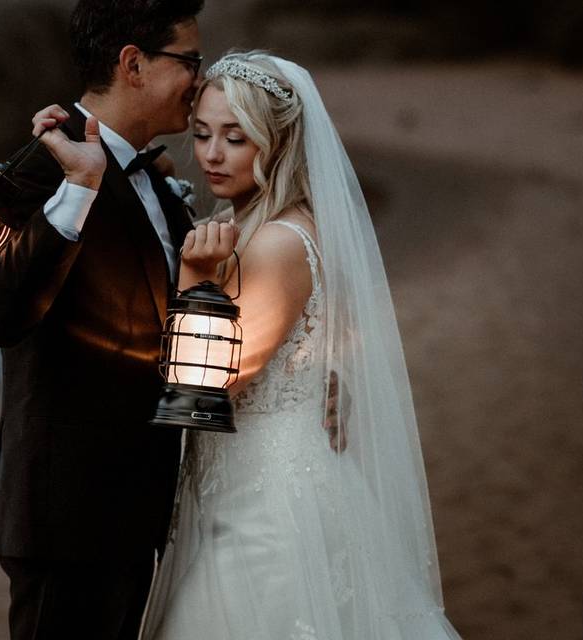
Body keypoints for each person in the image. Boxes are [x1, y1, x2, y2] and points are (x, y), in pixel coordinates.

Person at [138, 52, 463, 640]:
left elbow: (208, 383)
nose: (211, 155)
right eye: (204, 134)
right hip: (243, 480)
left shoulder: (277, 244)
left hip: (266, 500)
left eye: (235, 139)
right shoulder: (257, 226)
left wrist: (194, 280)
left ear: (277, 143)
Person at [0, 1, 211, 638]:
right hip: (65, 516)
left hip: (134, 512)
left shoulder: (155, 177)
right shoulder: (44, 164)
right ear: (133, 64)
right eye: (189, 61)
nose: (200, 80)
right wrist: (78, 187)